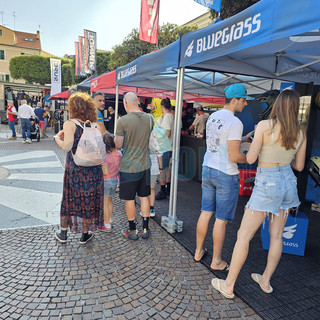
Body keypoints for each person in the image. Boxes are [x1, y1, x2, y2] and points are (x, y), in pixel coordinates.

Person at [211, 89, 307, 299]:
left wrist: (253, 147)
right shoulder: (300, 132)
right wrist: (283, 158)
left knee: (243, 236)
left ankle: (228, 285)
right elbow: (299, 166)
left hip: (267, 183)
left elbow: (252, 158)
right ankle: (265, 280)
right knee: (277, 236)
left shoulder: (265, 126)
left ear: (278, 105)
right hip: (288, 184)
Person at [194, 83, 252, 271]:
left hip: (208, 168)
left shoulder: (212, 117)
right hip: (226, 174)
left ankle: (198, 251)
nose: (245, 104)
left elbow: (219, 142)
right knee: (221, 219)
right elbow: (235, 156)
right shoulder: (235, 122)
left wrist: (243, 139)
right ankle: (217, 261)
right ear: (235, 100)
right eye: (244, 100)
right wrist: (250, 157)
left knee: (206, 211)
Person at [54, 92, 104, 245]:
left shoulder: (70, 124)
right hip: (94, 170)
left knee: (70, 200)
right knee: (88, 201)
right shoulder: (93, 125)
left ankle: (63, 233)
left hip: (75, 170)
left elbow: (67, 146)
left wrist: (57, 139)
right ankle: (85, 234)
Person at [115, 92, 153, 240]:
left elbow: (118, 144)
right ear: (137, 102)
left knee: (130, 199)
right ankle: (145, 228)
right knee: (144, 197)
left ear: (125, 102)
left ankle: (132, 231)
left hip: (128, 166)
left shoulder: (123, 120)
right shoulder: (150, 118)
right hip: (145, 164)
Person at [99, 134, 122, 232]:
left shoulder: (105, 157)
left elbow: (105, 172)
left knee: (105, 203)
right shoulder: (119, 153)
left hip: (106, 180)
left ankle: (106, 224)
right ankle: (110, 219)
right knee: (110, 201)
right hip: (115, 180)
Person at [155, 97, 174, 200]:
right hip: (168, 147)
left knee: (162, 169)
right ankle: (168, 189)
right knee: (167, 169)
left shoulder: (167, 117)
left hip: (164, 147)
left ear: (162, 107)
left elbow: (167, 132)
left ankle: (163, 190)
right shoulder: (170, 116)